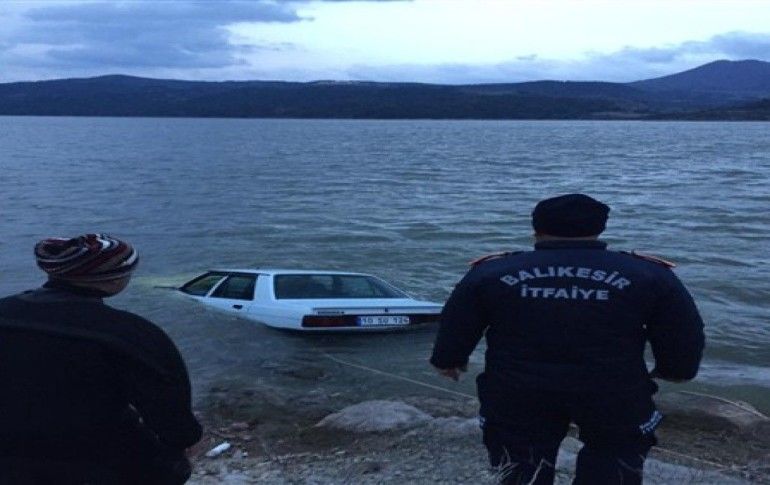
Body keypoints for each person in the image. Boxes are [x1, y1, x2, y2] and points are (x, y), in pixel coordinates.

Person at [430, 194, 705, 485]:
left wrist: (449, 360)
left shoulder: (492, 271)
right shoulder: (648, 273)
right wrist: (677, 370)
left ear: (536, 229)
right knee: (614, 462)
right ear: (600, 228)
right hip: (613, 390)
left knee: (521, 466)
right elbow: (682, 328)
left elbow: (457, 320)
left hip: (518, 389)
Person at [0, 233, 202, 484]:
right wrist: (184, 441)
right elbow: (171, 416)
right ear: (115, 278)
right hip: (96, 461)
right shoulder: (131, 333)